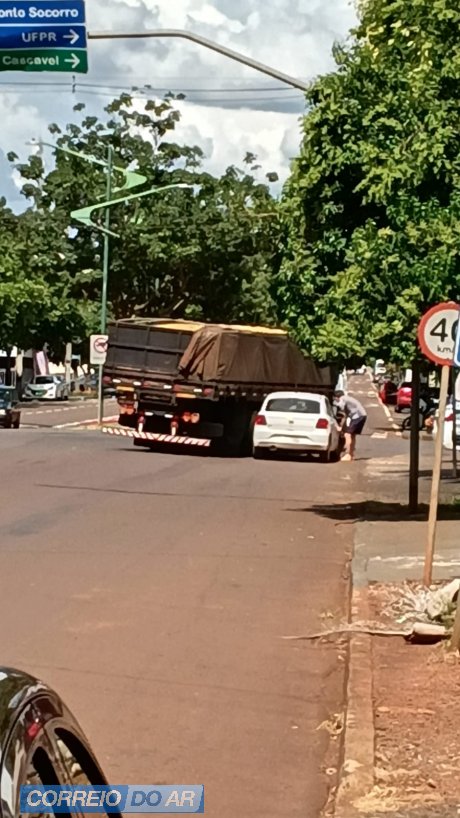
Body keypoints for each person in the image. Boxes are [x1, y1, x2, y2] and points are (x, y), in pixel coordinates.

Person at [333, 390, 367, 461]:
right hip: (362, 415)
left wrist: (336, 404)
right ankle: (351, 454)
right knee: (352, 435)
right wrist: (342, 427)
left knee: (347, 434)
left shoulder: (342, 398)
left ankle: (347, 454)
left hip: (357, 416)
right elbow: (346, 416)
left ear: (337, 397)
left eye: (335, 398)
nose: (335, 400)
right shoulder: (348, 399)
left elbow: (341, 406)